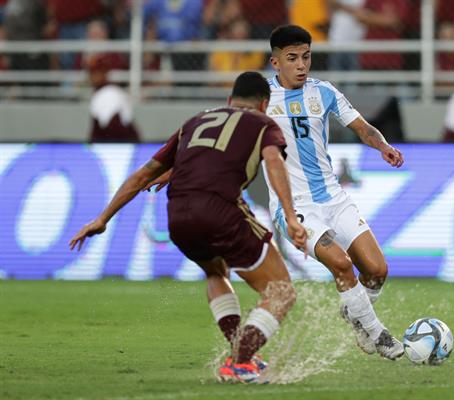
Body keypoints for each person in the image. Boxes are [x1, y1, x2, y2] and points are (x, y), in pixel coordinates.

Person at [70, 71, 308, 383]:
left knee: (214, 272)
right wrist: (290, 216)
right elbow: (273, 161)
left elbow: (145, 173)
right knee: (282, 292)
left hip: (177, 214)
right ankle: (240, 361)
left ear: (229, 100)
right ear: (264, 104)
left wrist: (102, 218)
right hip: (220, 210)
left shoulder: (194, 122)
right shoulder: (262, 123)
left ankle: (240, 349)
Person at [266, 25, 404, 360]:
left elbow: (362, 127)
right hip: (294, 207)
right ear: (275, 62)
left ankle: (355, 312)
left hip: (334, 198)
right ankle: (378, 334)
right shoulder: (262, 100)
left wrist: (382, 145)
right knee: (341, 264)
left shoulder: (323, 92)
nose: (301, 65)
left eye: (306, 56)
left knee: (377, 270)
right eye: (292, 58)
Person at [88, 54, 140, 143]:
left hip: (119, 148)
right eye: (91, 73)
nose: (93, 77)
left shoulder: (109, 93)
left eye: (97, 72)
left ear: (105, 73)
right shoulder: (108, 91)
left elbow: (113, 127)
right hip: (125, 146)